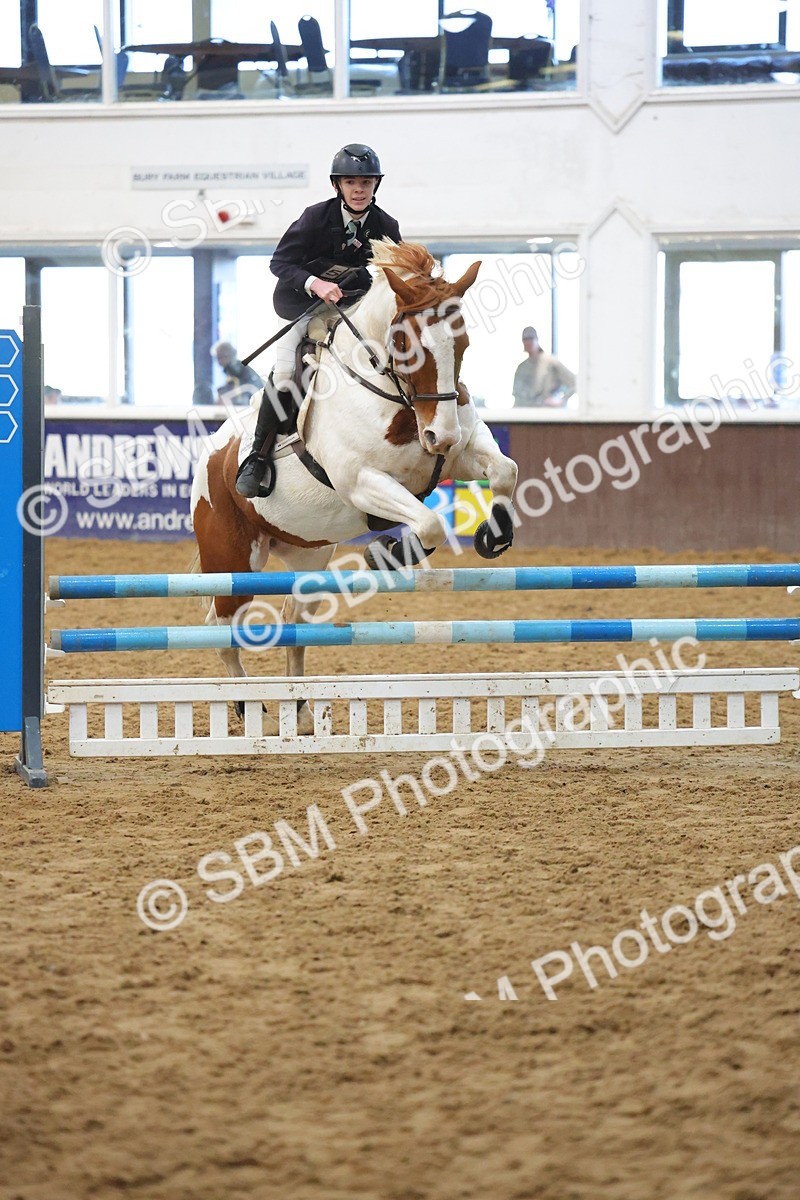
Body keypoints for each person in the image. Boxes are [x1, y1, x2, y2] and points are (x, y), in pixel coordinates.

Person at [235, 142, 402, 498]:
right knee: (284, 374)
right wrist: (317, 284)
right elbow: (279, 263)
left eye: (366, 183)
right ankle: (256, 457)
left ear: (375, 186)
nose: (359, 190)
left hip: (351, 305)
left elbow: (396, 276)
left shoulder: (386, 225)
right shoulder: (315, 217)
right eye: (350, 183)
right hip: (300, 303)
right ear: (337, 186)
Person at [512, 326, 576, 408]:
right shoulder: (521, 368)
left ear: (536, 339)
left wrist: (561, 400)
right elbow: (517, 397)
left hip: (547, 415)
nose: (528, 342)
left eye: (531, 338)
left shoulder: (550, 362)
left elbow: (574, 382)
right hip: (526, 414)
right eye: (526, 339)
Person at [212, 341, 263, 407]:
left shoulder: (239, 370)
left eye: (222, 357)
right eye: (218, 358)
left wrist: (228, 397)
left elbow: (245, 393)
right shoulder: (233, 372)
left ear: (231, 355)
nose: (220, 361)